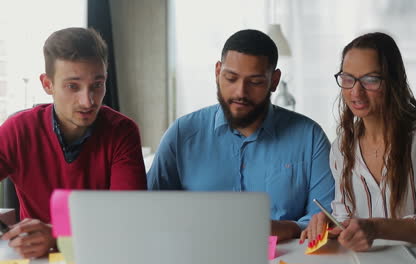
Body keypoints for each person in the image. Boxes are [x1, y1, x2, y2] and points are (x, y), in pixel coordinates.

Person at [147, 29, 335, 241]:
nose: (240, 93)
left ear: (274, 80)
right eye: (231, 78)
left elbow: (325, 220)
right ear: (218, 72)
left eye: (255, 82)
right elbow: (150, 212)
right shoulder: (181, 135)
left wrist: (282, 228)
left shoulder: (310, 138)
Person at [300, 32, 416, 251]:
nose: (356, 92)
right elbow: (344, 216)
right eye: (348, 79)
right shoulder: (342, 147)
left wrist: (376, 227)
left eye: (370, 80)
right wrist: (332, 225)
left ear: (394, 81)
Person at [0, 27, 147, 258]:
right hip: (38, 259)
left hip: (103, 255)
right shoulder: (18, 130)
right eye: (73, 86)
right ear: (47, 84)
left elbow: (128, 219)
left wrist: (58, 236)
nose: (87, 101)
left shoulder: (122, 132)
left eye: (97, 85)